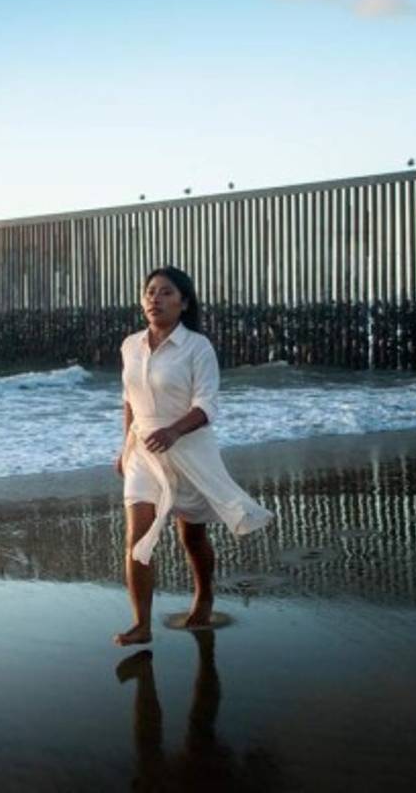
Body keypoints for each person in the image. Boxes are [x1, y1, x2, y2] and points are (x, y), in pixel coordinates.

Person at [114, 266, 274, 646]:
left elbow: (207, 405)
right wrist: (124, 447)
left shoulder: (197, 347)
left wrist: (174, 431)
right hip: (143, 451)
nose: (155, 298)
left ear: (184, 303)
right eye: (150, 291)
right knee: (137, 534)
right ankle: (140, 624)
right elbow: (128, 400)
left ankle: (204, 594)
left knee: (192, 535)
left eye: (166, 292)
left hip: (188, 448)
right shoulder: (130, 345)